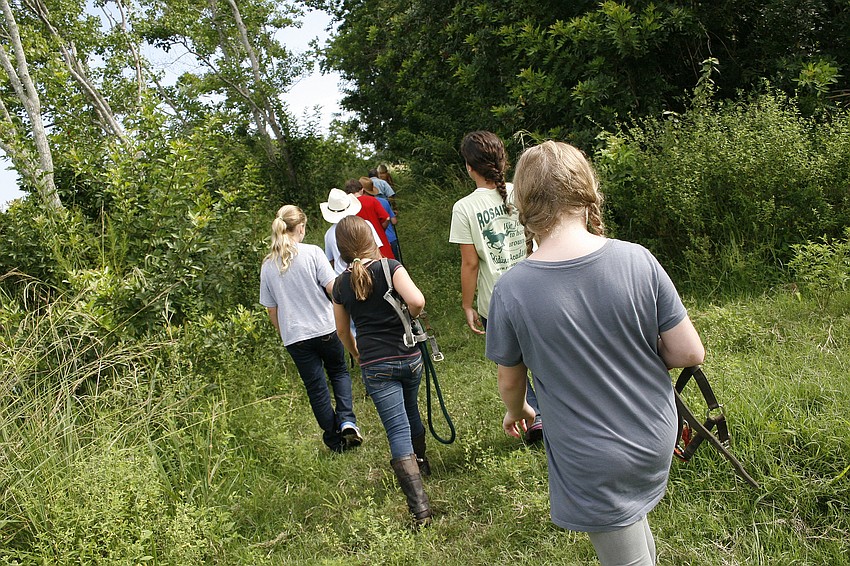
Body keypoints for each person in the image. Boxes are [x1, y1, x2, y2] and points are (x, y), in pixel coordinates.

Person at [486, 141, 705, 566]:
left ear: (524, 204)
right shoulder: (638, 259)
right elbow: (689, 352)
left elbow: (511, 380)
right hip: (655, 434)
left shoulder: (512, 289)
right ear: (586, 191)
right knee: (633, 524)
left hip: (593, 455)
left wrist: (518, 411)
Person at [332, 215, 432, 527]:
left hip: (375, 364)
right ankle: (422, 463)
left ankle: (420, 510)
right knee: (411, 409)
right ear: (369, 239)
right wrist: (408, 316)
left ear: (341, 250)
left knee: (397, 429)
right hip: (408, 354)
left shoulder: (339, 285)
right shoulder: (390, 267)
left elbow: (341, 331)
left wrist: (357, 354)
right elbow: (417, 300)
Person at [448, 130, 543, 443]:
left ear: (469, 167)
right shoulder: (524, 192)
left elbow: (470, 264)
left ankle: (533, 418)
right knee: (544, 356)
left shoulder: (464, 208)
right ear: (504, 161)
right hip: (539, 291)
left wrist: (467, 304)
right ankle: (550, 414)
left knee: (513, 363)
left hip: (497, 302)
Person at [259, 204, 364, 453]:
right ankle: (347, 420)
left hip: (295, 336)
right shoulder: (312, 253)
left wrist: (284, 332)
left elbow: (271, 310)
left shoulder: (267, 266)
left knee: (315, 387)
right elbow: (333, 289)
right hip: (325, 327)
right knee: (339, 372)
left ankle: (333, 438)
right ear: (302, 228)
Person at [321, 187, 384, 275]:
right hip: (371, 271)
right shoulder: (365, 224)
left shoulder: (328, 234)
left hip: (343, 276)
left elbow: (331, 261)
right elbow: (377, 252)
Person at [343, 178, 395, 260]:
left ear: (346, 193)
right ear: (362, 189)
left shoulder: (346, 206)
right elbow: (386, 218)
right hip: (380, 246)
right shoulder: (372, 200)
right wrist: (380, 230)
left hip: (361, 250)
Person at [360, 176, 403, 263]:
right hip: (391, 238)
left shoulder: (360, 205)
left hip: (375, 244)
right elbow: (393, 221)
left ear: (362, 190)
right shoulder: (383, 201)